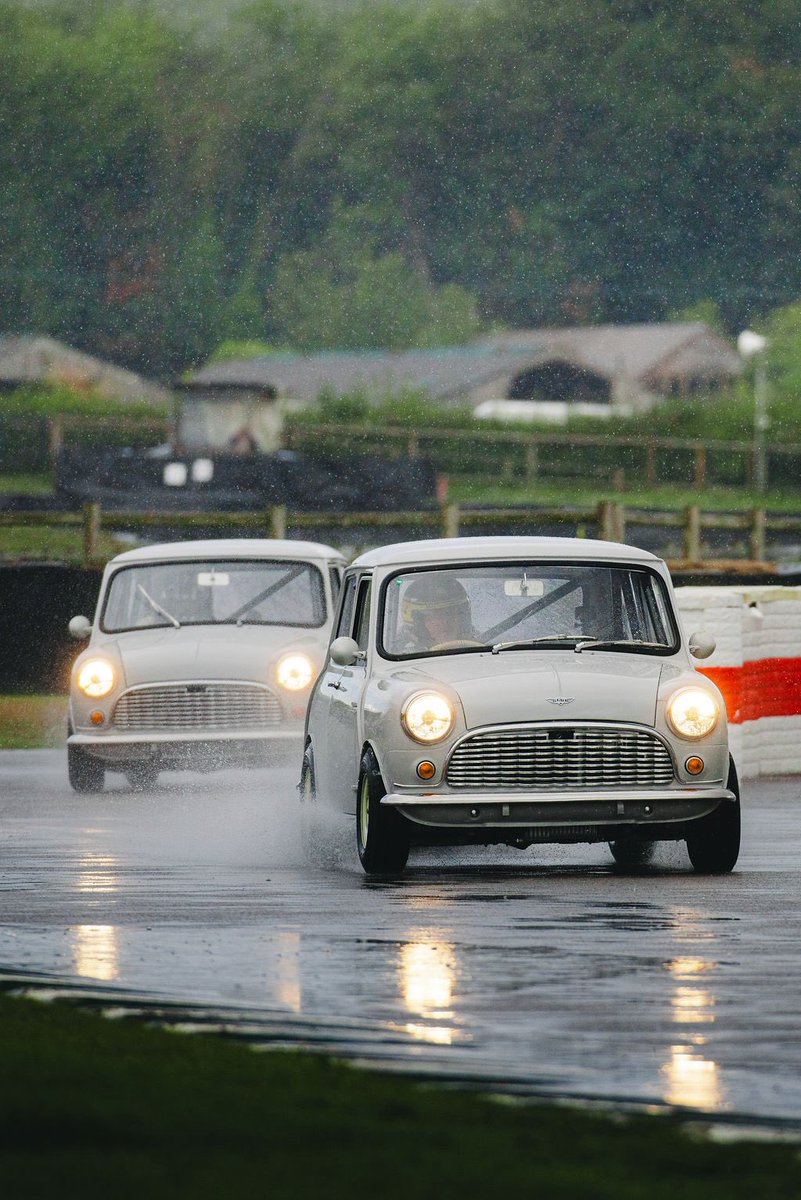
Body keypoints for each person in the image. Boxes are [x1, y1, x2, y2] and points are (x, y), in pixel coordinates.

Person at [400, 574, 477, 650]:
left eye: (449, 614)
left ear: (463, 618)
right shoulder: (400, 656)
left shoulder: (483, 646)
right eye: (433, 616)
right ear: (417, 623)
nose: (443, 622)